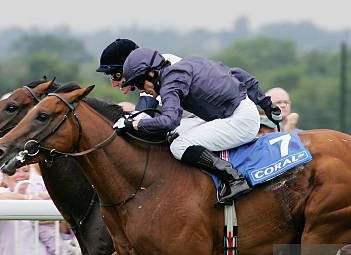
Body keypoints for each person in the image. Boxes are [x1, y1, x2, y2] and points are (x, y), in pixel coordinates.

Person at [120, 48, 281, 204]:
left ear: (151, 73)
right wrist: (267, 105)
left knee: (178, 146)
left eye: (139, 83)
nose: (141, 90)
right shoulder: (190, 62)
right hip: (240, 111)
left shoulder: (169, 83)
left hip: (240, 121)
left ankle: (233, 178)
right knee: (173, 133)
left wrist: (135, 124)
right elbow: (238, 73)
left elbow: (169, 120)